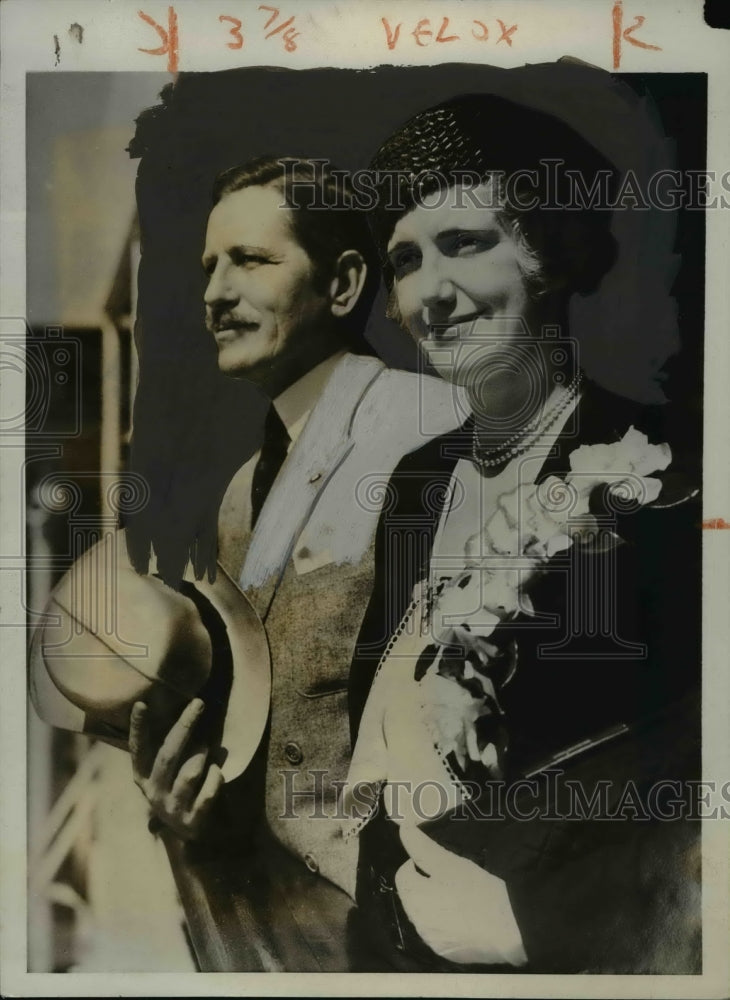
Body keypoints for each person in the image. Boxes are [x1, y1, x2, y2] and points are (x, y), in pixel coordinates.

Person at [343, 94, 701, 973]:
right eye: (406, 261)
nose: (432, 291)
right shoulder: (415, 487)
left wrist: (539, 919)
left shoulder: (668, 475)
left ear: (548, 252)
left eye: (466, 244)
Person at [128, 156, 460, 910]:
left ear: (343, 284)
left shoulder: (433, 430)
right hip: (270, 917)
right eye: (211, 266)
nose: (215, 293)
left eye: (251, 260)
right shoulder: (243, 487)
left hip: (399, 919)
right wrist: (190, 806)